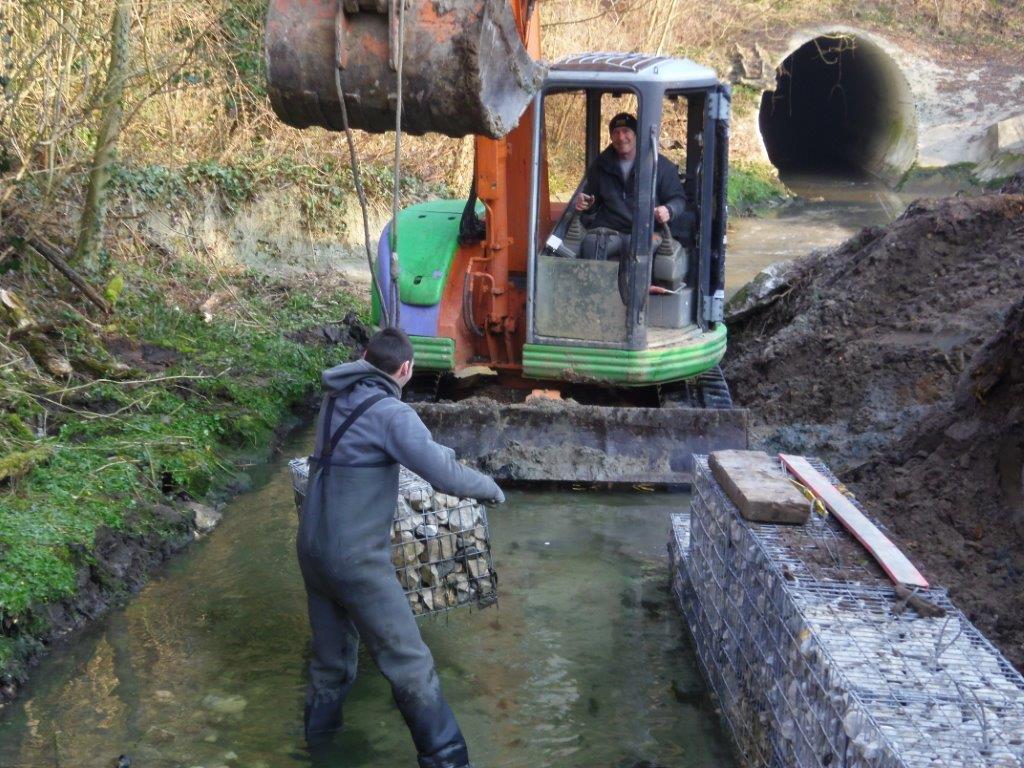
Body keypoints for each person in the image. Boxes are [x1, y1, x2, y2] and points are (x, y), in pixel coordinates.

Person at [296, 327, 504, 768]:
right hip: (356, 562)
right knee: (410, 664)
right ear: (405, 369)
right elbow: (444, 476)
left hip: (312, 552)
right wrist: (491, 489)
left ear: (364, 355)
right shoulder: (393, 413)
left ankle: (318, 751)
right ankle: (448, 759)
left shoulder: (334, 396)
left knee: (330, 666)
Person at [574, 112, 688, 238]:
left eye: (626, 131)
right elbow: (592, 203)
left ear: (636, 134)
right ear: (611, 136)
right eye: (616, 132)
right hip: (608, 232)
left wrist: (669, 210)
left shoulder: (662, 167)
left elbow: (679, 200)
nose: (621, 137)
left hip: (647, 234)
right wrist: (586, 204)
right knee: (588, 247)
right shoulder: (600, 165)